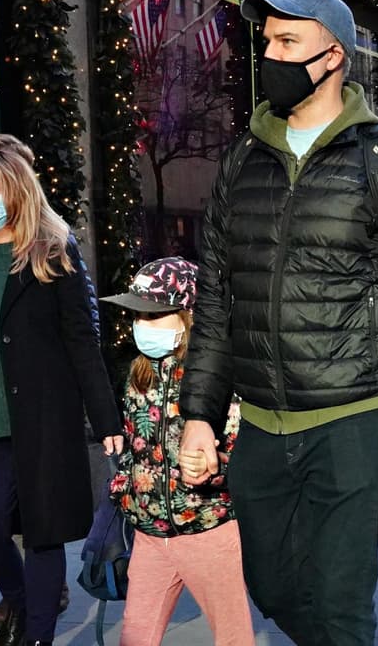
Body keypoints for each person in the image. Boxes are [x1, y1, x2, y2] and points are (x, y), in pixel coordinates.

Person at [178, 0, 378, 646]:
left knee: (339, 602)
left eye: (286, 42)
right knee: (271, 585)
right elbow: (216, 299)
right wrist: (198, 414)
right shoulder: (241, 160)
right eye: (267, 42)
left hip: (354, 421)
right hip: (262, 423)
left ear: (333, 58)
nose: (269, 56)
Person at [0, 148, 124, 646]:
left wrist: (106, 420)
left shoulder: (52, 255)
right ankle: (22, 600)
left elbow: (81, 341)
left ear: (17, 192)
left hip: (44, 420)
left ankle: (37, 636)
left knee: (42, 533)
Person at [101, 257, 254, 646]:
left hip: (209, 530)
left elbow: (244, 453)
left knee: (233, 637)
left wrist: (214, 468)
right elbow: (136, 446)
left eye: (153, 315)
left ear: (189, 317)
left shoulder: (219, 379)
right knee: (135, 637)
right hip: (150, 533)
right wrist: (124, 488)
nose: (141, 325)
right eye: (137, 315)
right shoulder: (138, 375)